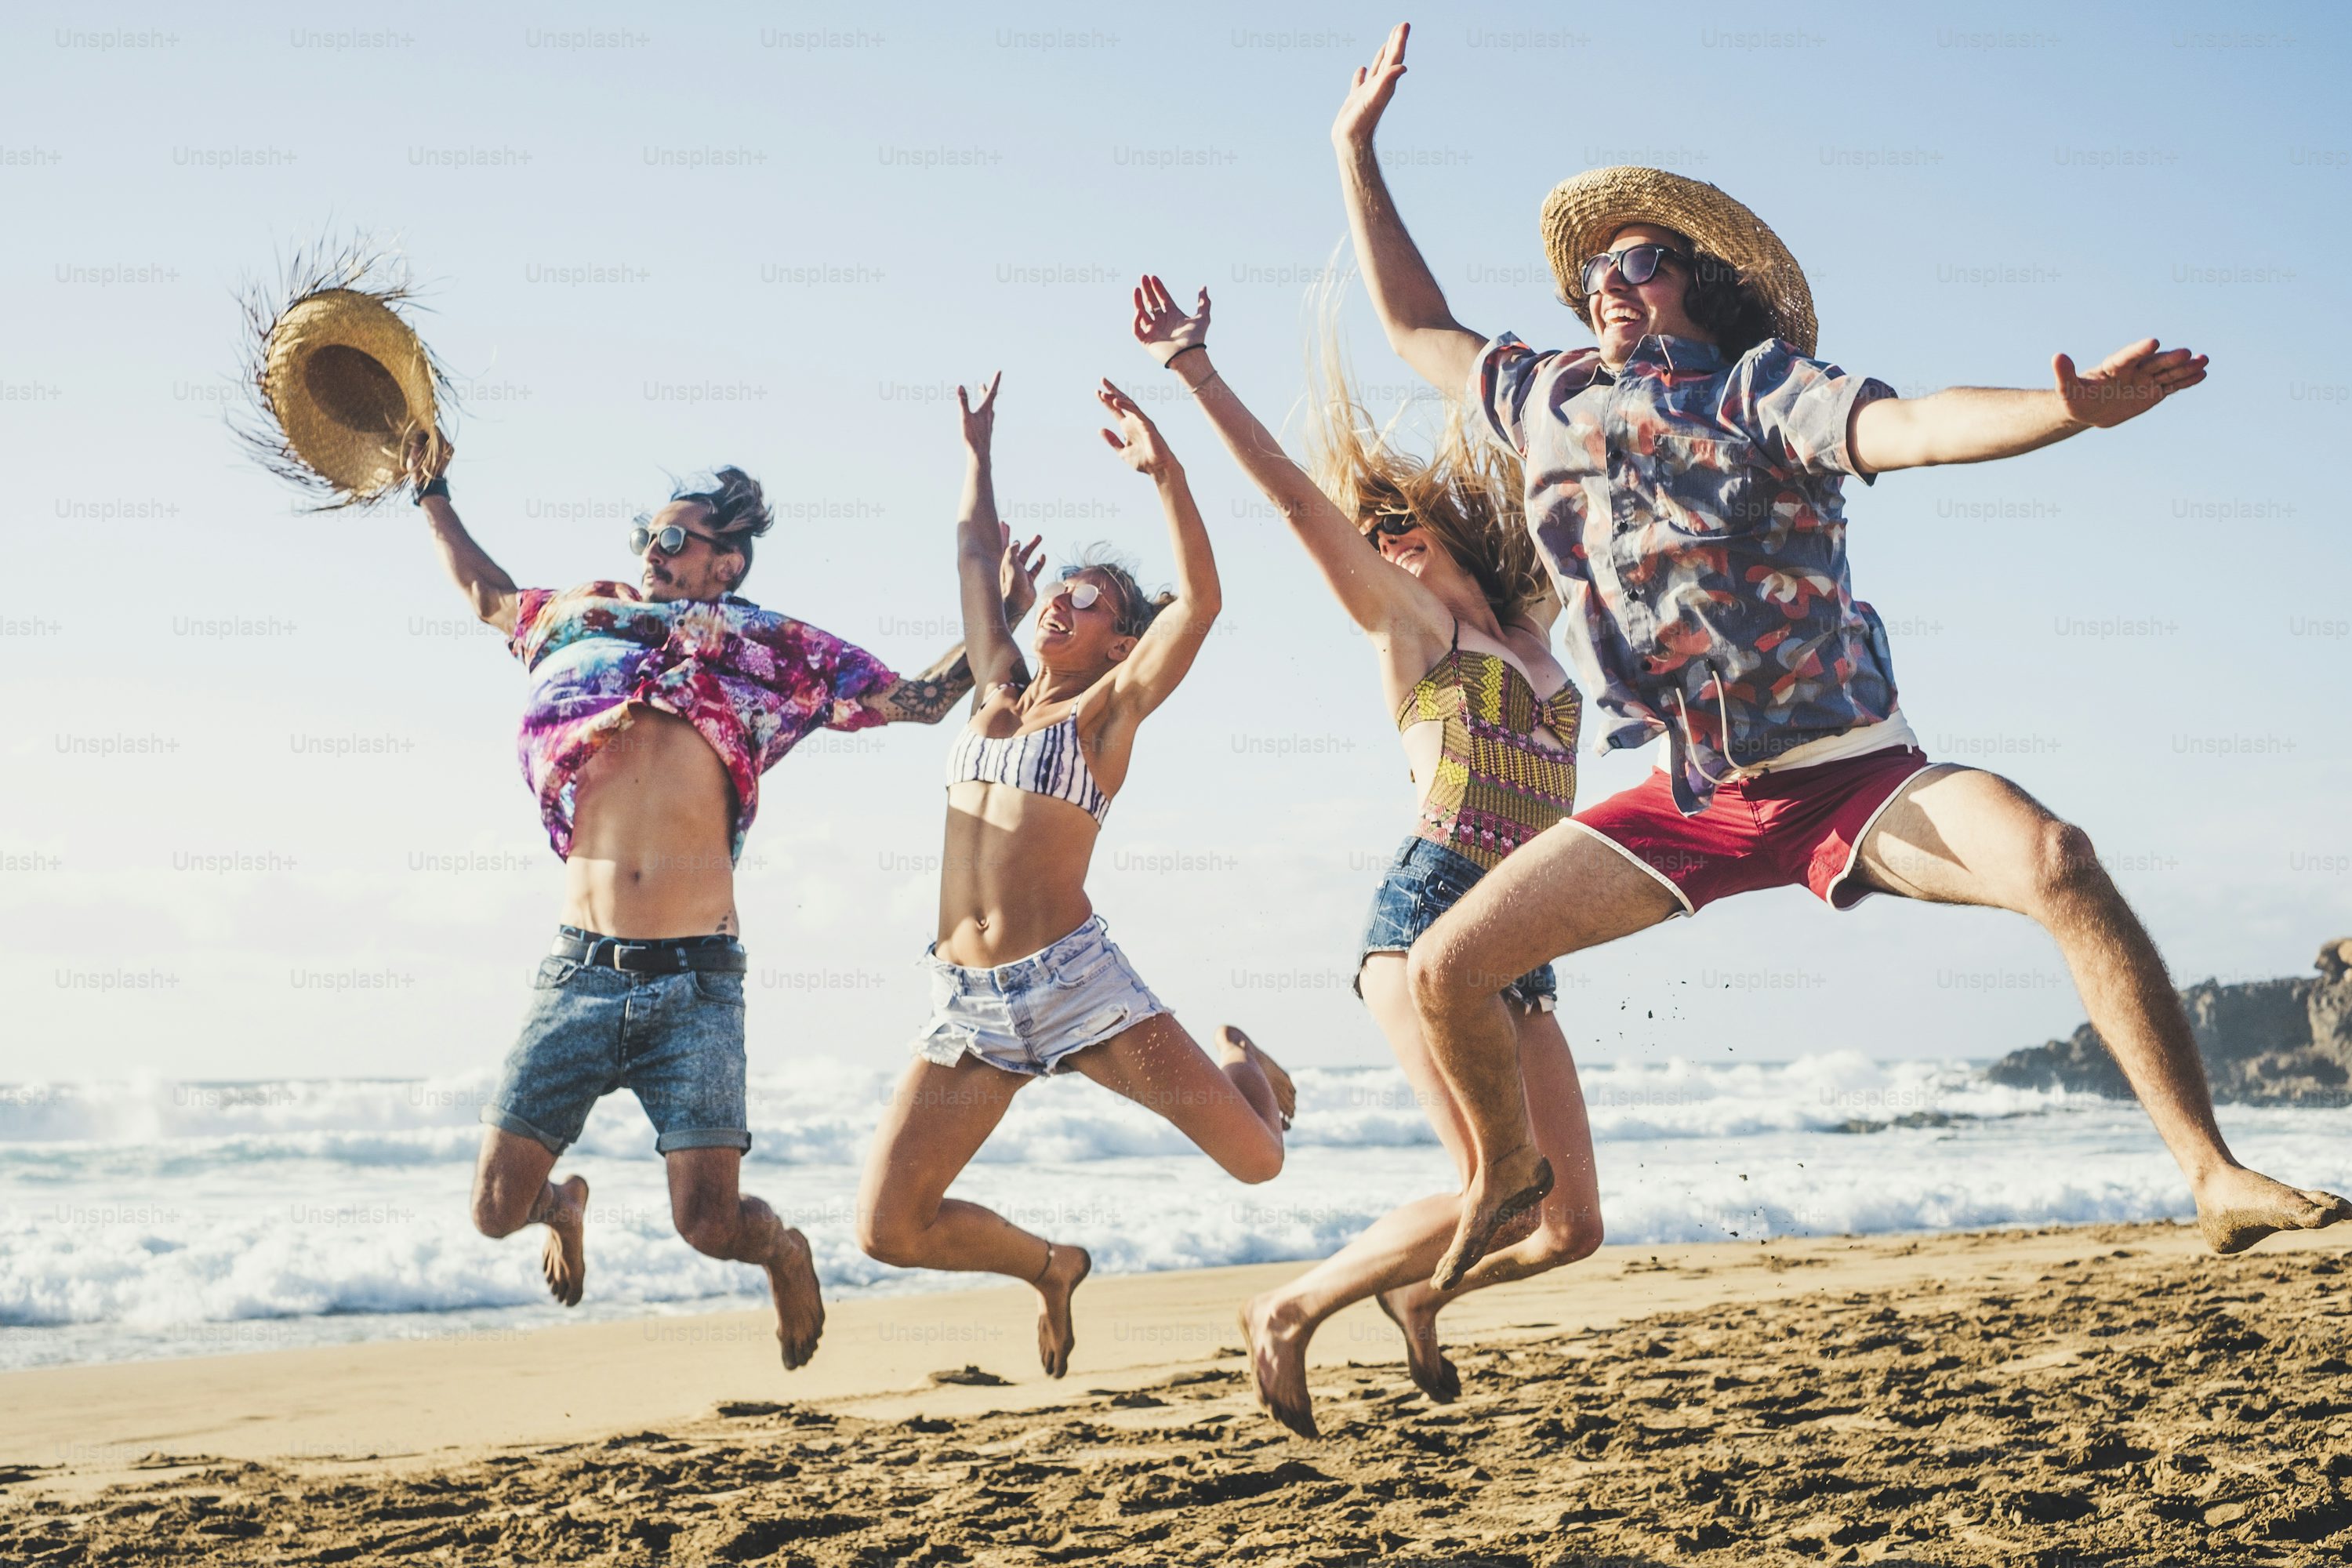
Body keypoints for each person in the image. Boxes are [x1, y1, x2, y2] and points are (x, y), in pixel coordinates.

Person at [1330, 20, 2352, 1288]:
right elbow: (1415, 325)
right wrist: (1353, 148)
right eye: (1593, 267)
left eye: (1638, 261)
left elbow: (1919, 425)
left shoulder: (1769, 391)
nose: (1608, 278)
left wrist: (2065, 410)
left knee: (2057, 860)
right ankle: (1499, 1179)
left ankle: (2214, 1175)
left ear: (1697, 282)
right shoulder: (1546, 395)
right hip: (1691, 800)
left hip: (1856, 772)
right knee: (1443, 968)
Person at [407, 434, 1020, 1370]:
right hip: (579, 969)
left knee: (708, 1221)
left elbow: (921, 698)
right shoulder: (578, 619)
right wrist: (433, 492)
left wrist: (998, 617)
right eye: (649, 535)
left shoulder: (771, 650)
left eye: (675, 539)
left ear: (726, 562)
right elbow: (487, 594)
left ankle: (784, 1251)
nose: (651, 551)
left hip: (695, 983)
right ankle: (561, 1206)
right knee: (493, 1207)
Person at [1123, 274, 1599, 1436]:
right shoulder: (1410, 625)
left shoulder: (1530, 624)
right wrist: (1194, 372)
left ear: (1455, 531)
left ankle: (1419, 1298)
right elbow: (1296, 502)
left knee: (1569, 1223)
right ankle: (1291, 1309)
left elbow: (1582, 490)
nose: (1385, 543)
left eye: (1403, 527)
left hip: (1522, 927)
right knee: (1504, 1175)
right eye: (1376, 534)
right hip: (1432, 916)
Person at [854, 374, 1295, 1380]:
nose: (1062, 598)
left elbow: (1206, 600)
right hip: (968, 1007)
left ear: (1120, 641)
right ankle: (1050, 1265)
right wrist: (977, 450)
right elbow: (973, 554)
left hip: (1076, 989)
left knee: (1259, 1159)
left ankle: (1253, 1075)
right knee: (888, 1225)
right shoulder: (994, 694)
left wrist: (1166, 470)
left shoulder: (1107, 717)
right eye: (1062, 586)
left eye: (1088, 597)